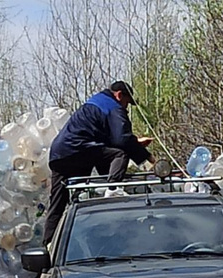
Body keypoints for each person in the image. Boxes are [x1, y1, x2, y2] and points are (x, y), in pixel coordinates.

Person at [43, 80, 156, 244]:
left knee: (58, 204)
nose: (126, 108)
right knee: (120, 155)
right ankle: (113, 190)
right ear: (119, 95)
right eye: (127, 103)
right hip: (79, 150)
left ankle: (47, 245)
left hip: (60, 154)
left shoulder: (95, 102)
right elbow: (122, 140)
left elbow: (106, 140)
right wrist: (149, 158)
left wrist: (136, 143)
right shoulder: (113, 107)